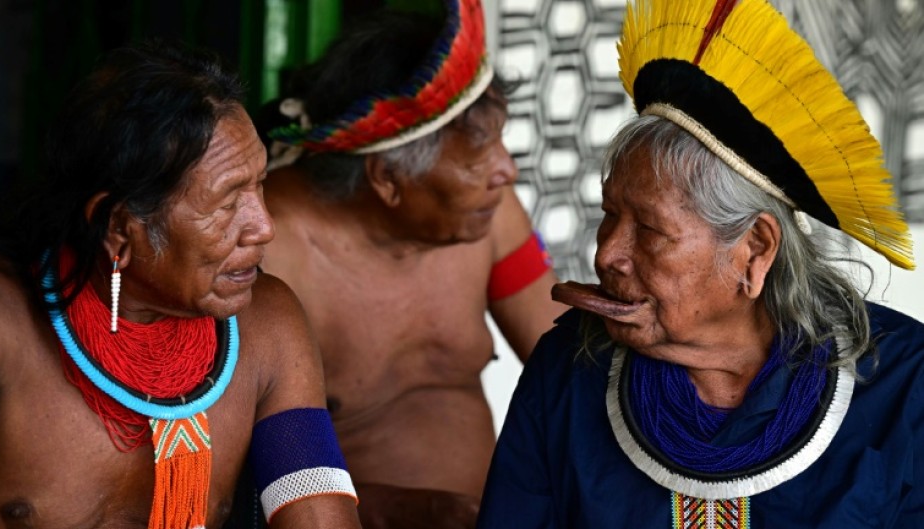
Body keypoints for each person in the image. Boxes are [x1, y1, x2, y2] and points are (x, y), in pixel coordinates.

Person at [477, 0, 924, 527]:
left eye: (650, 230)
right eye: (609, 215)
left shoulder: (904, 386)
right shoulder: (570, 368)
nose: (607, 254)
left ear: (755, 250)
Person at [0, 40, 361, 529]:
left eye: (259, 186)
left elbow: (320, 517)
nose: (263, 226)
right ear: (119, 229)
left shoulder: (268, 328)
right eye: (228, 203)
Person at [254, 0, 567, 526]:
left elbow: (569, 370)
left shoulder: (487, 212)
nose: (507, 171)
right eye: (477, 156)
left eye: (500, 143)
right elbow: (224, 471)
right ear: (386, 179)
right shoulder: (269, 247)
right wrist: (404, 510)